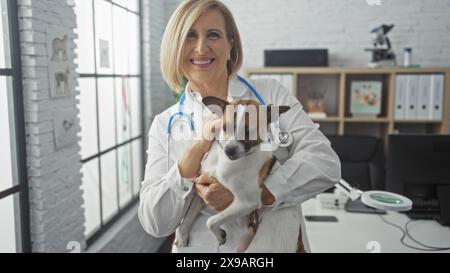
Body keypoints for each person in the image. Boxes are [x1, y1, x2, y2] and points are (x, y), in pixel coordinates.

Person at [138, 0, 341, 253]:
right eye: (190, 36)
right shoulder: (165, 125)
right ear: (175, 46)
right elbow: (154, 222)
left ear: (230, 43)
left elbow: (326, 163)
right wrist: (192, 155)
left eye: (213, 34)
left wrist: (259, 194)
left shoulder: (271, 96)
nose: (201, 47)